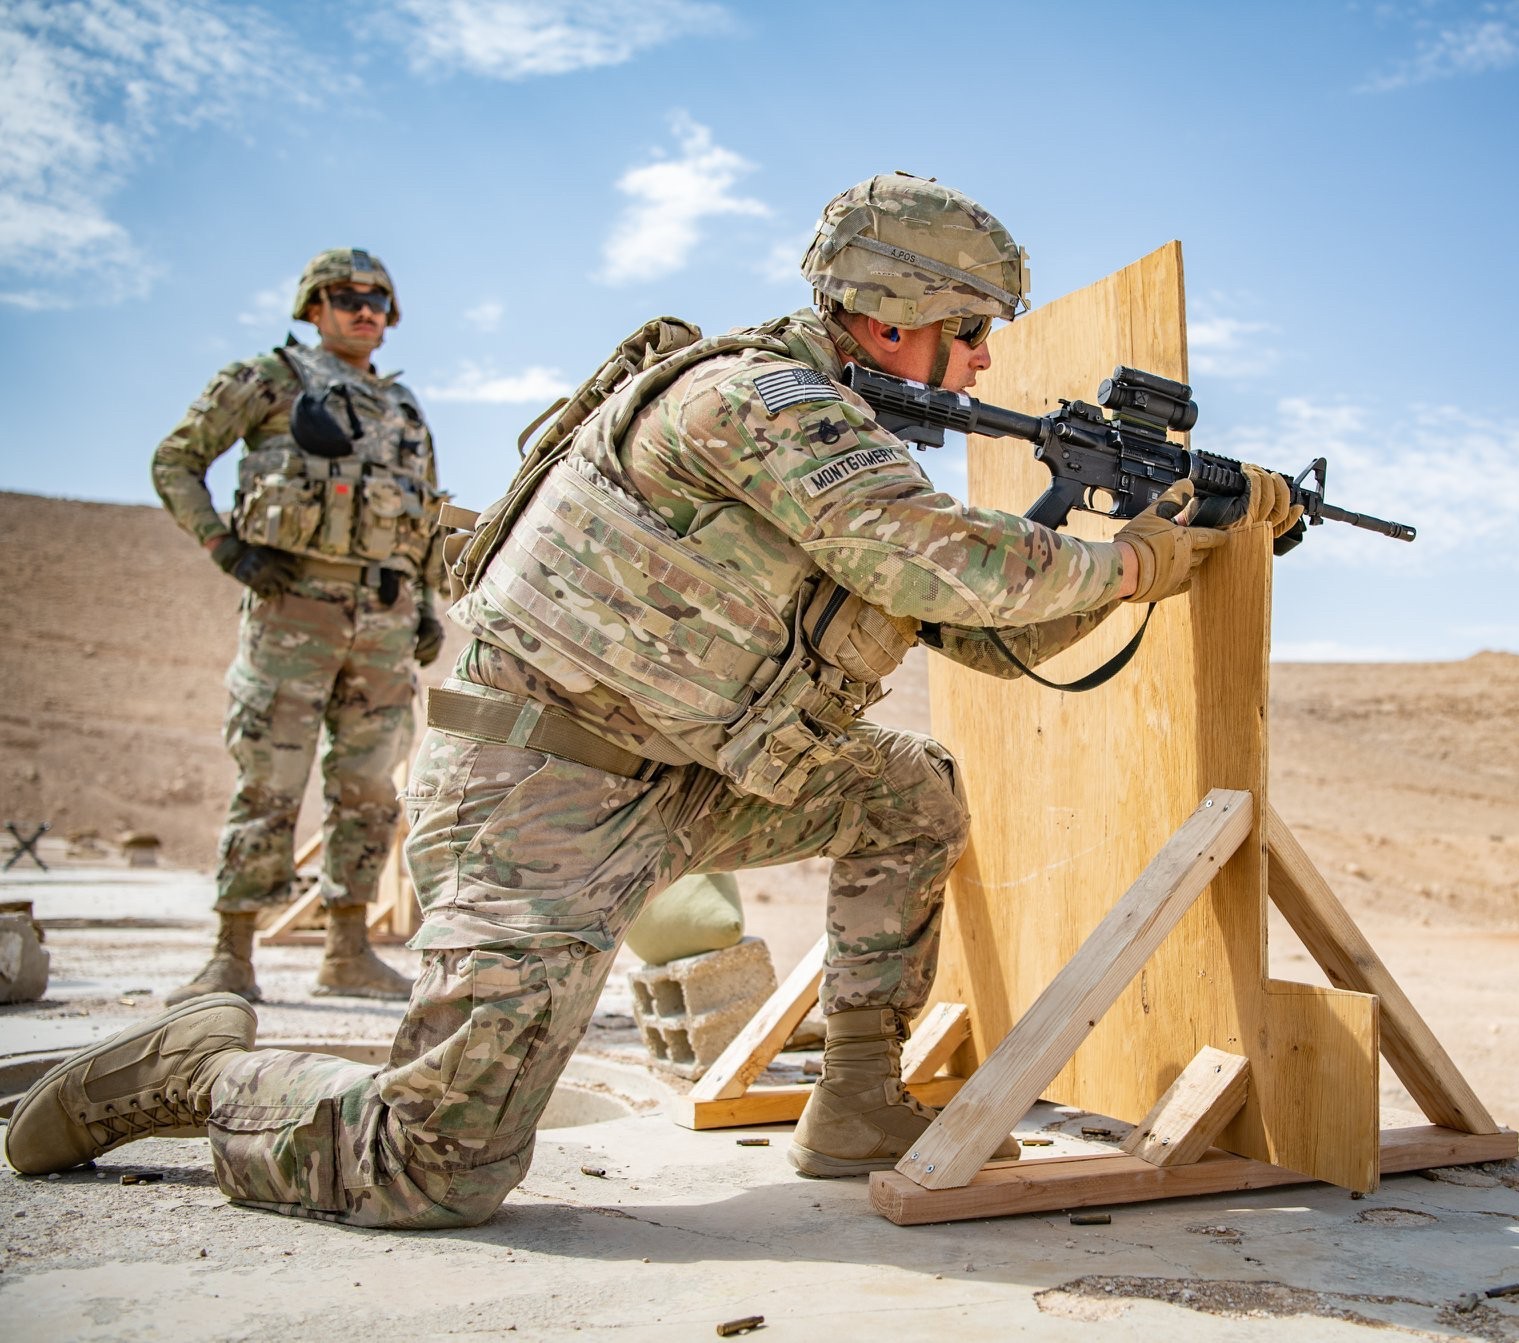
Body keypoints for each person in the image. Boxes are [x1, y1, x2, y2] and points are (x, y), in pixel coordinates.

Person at [5, 177, 1297, 1227]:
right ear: (895, 313)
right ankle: (196, 1067)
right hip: (534, 793)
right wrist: (1135, 559)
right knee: (432, 1161)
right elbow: (948, 560)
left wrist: (1175, 547)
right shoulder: (763, 404)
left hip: (671, 780)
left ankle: (855, 1093)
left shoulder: (848, 437)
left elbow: (991, 627)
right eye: (969, 324)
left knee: (906, 790)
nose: (983, 354)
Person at [151, 248, 445, 1005]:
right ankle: (231, 953)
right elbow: (177, 460)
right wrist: (225, 546)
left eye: (378, 298)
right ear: (314, 307)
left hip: (382, 623)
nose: (365, 309)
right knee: (270, 780)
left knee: (370, 788)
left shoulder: (404, 409)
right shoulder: (270, 380)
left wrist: (422, 608)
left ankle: (347, 949)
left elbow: (422, 519)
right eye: (346, 296)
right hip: (291, 610)